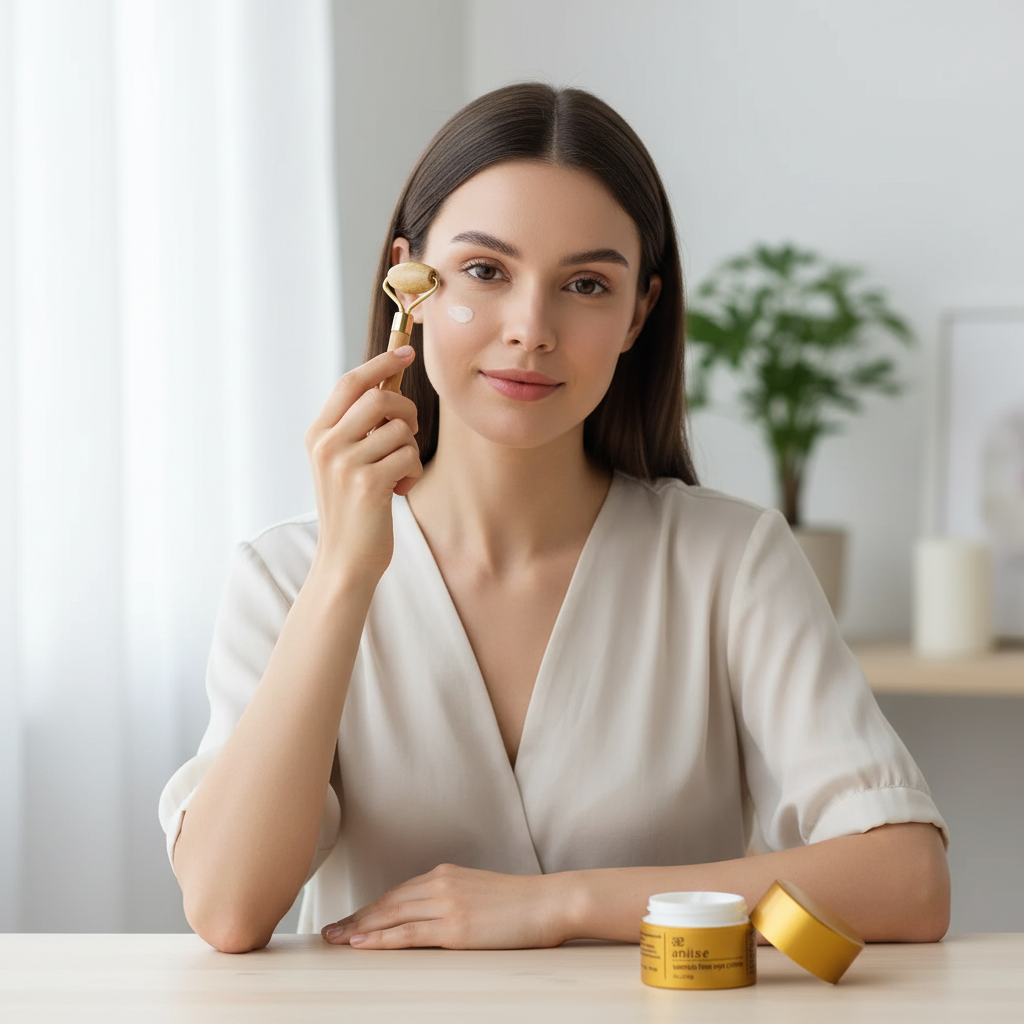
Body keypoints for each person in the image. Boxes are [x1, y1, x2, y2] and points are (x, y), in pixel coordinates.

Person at [159, 83, 950, 955]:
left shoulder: (731, 560)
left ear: (638, 313)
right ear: (407, 283)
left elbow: (907, 883)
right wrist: (345, 572)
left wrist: (562, 905)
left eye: (584, 284)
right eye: (485, 272)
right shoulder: (286, 577)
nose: (531, 329)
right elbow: (228, 910)